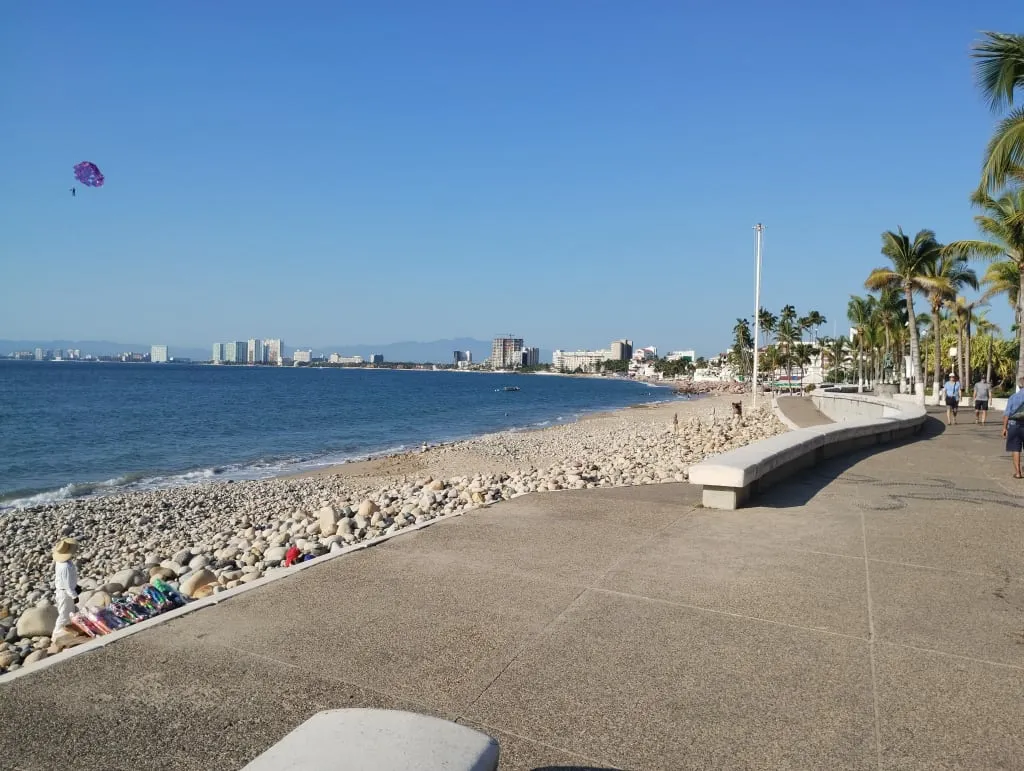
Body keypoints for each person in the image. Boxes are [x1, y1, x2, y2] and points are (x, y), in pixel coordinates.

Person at [52, 538, 80, 636]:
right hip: (65, 593)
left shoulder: (62, 563)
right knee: (64, 615)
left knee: (69, 613)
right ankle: (56, 634)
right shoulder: (65, 567)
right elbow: (67, 584)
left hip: (64, 591)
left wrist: (75, 586)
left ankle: (66, 631)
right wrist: (74, 596)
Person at [1002, 376, 1024, 479]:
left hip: (1014, 425)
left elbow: (1007, 414)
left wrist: (1004, 428)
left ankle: (1018, 473)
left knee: (1016, 449)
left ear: (1019, 386)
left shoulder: (1013, 397)